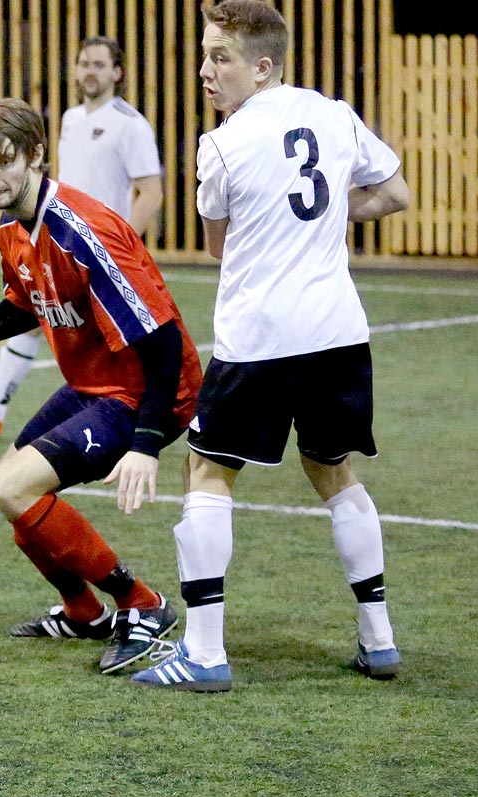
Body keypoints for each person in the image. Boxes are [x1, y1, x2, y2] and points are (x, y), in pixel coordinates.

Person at [130, 0, 409, 693]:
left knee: (208, 476)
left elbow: (222, 250)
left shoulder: (220, 144)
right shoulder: (337, 115)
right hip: (339, 334)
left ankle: (203, 653)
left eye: (219, 58)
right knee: (334, 474)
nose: (204, 71)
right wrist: (326, 219)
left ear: (262, 66)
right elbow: (395, 192)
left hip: (259, 340)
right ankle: (379, 641)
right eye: (203, 55)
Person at [0, 97, 201, 675]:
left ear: (35, 157)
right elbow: (20, 309)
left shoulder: (84, 230)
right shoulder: (13, 227)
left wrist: (146, 444)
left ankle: (143, 604)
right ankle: (83, 611)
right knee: (8, 484)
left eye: (3, 161)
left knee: (12, 487)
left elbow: (162, 345)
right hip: (94, 385)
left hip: (148, 392)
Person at [0, 36, 163, 440]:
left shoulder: (130, 124)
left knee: (120, 349)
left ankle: (145, 428)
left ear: (117, 73)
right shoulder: (69, 118)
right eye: (84, 63)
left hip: (100, 258)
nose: (89, 71)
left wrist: (115, 251)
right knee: (32, 316)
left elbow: (151, 194)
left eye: (100, 64)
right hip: (61, 245)